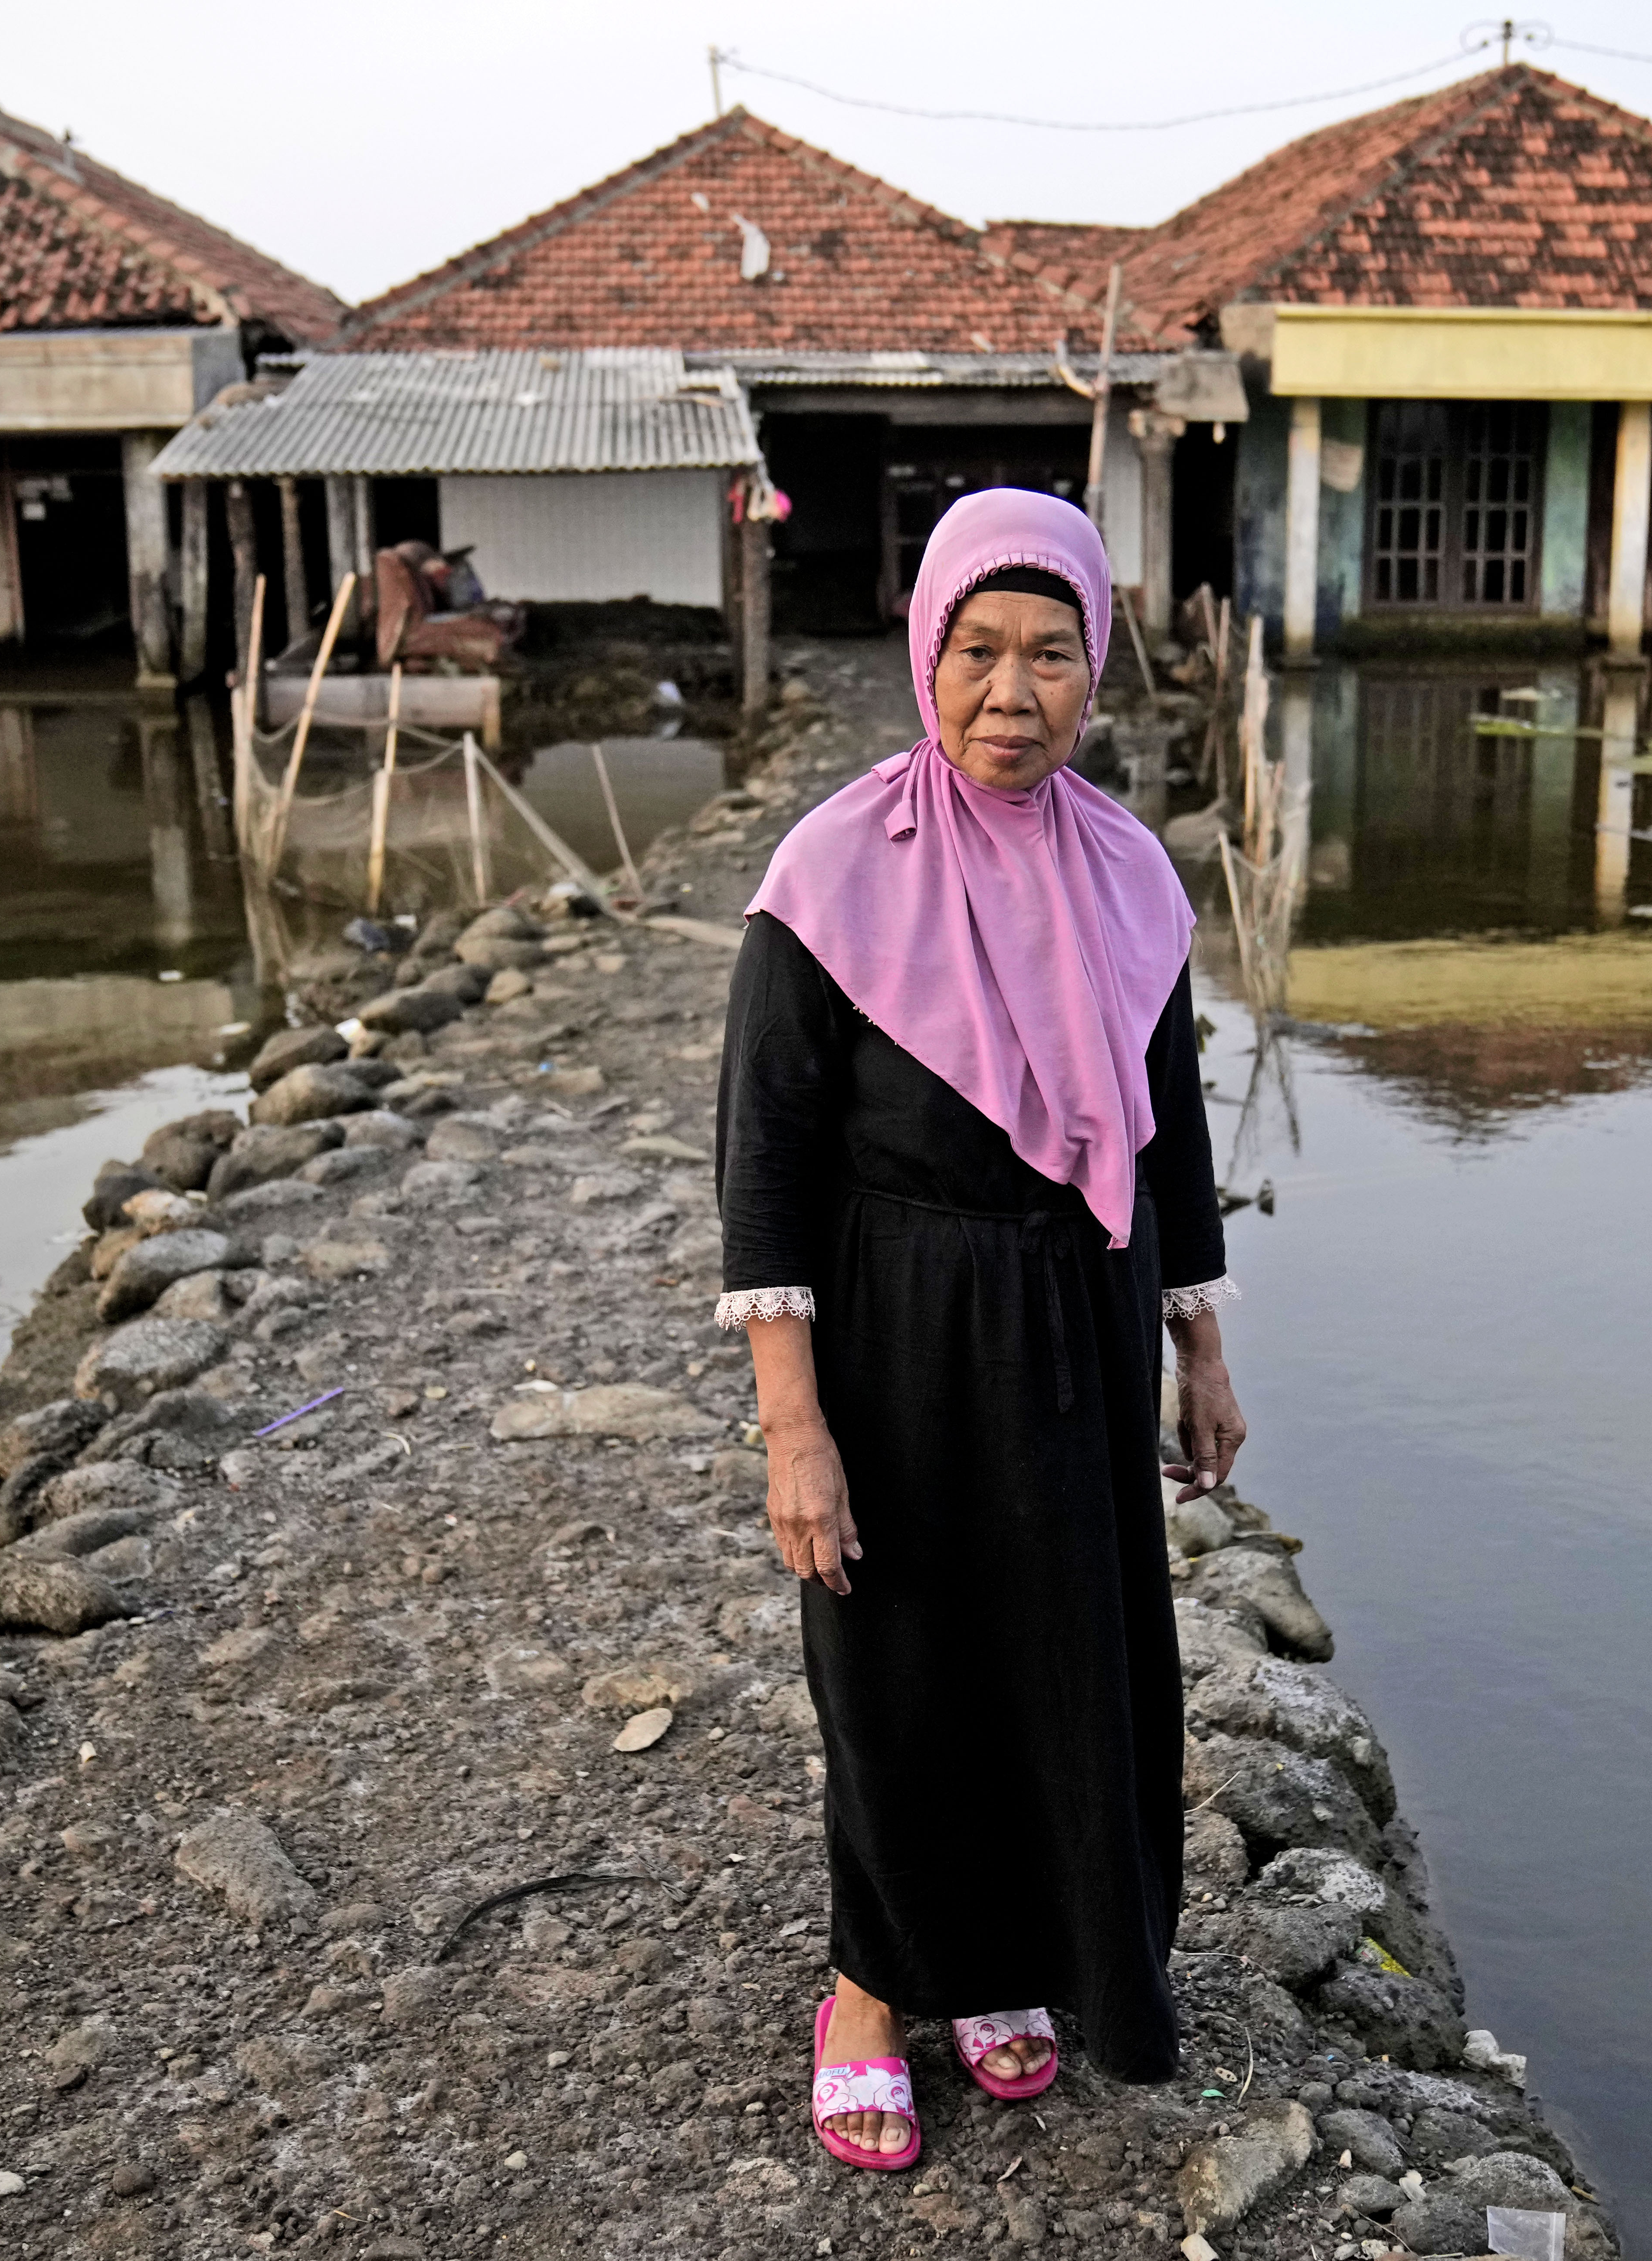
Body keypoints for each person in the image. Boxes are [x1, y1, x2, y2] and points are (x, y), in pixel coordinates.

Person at [714, 488, 1248, 2173]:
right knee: (898, 1663)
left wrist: (1198, 1343)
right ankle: (871, 1988)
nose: (1009, 692)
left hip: (1077, 1318)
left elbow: (1164, 1131)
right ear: (921, 653)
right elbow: (767, 1169)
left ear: (1097, 672)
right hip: (900, 1324)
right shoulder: (827, 875)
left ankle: (1003, 1960)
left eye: (1049, 654)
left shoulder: (1131, 877)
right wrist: (793, 1425)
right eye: (976, 649)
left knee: (1059, 1655)